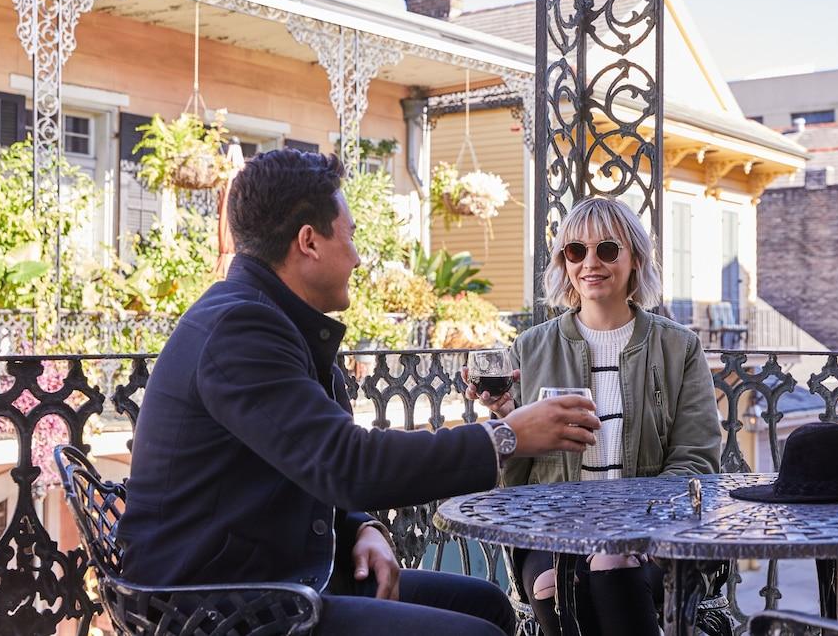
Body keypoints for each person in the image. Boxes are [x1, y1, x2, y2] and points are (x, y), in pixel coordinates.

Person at [117, 150, 603, 636]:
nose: (357, 256)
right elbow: (349, 464)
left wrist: (360, 527)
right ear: (308, 242)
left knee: (485, 605)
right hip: (221, 607)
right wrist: (504, 436)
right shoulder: (241, 329)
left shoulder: (267, 318)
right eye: (350, 237)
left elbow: (306, 457)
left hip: (273, 578)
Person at [465, 196, 721, 636]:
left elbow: (696, 458)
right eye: (575, 251)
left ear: (635, 259)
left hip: (652, 530)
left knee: (611, 562)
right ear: (565, 262)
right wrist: (509, 423)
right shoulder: (530, 347)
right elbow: (516, 482)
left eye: (606, 249)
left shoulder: (678, 347)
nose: (590, 263)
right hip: (552, 531)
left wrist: (633, 525)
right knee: (550, 584)